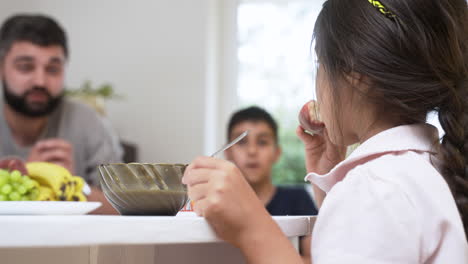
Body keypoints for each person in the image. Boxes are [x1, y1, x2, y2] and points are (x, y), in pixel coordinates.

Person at [182, 0, 468, 263]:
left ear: (356, 73)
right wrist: (329, 184)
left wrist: (251, 228)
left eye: (320, 63)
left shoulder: (376, 188)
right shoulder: (420, 170)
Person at [0, 14, 122, 214]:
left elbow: (122, 208)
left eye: (53, 69)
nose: (40, 80)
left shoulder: (87, 121)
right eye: (25, 67)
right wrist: (28, 177)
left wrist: (69, 183)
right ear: (1, 69)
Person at [225, 106, 317, 263]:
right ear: (228, 152)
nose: (252, 151)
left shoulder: (298, 199)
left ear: (277, 153)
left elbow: (316, 258)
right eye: (241, 142)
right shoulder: (219, 205)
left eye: (262, 142)